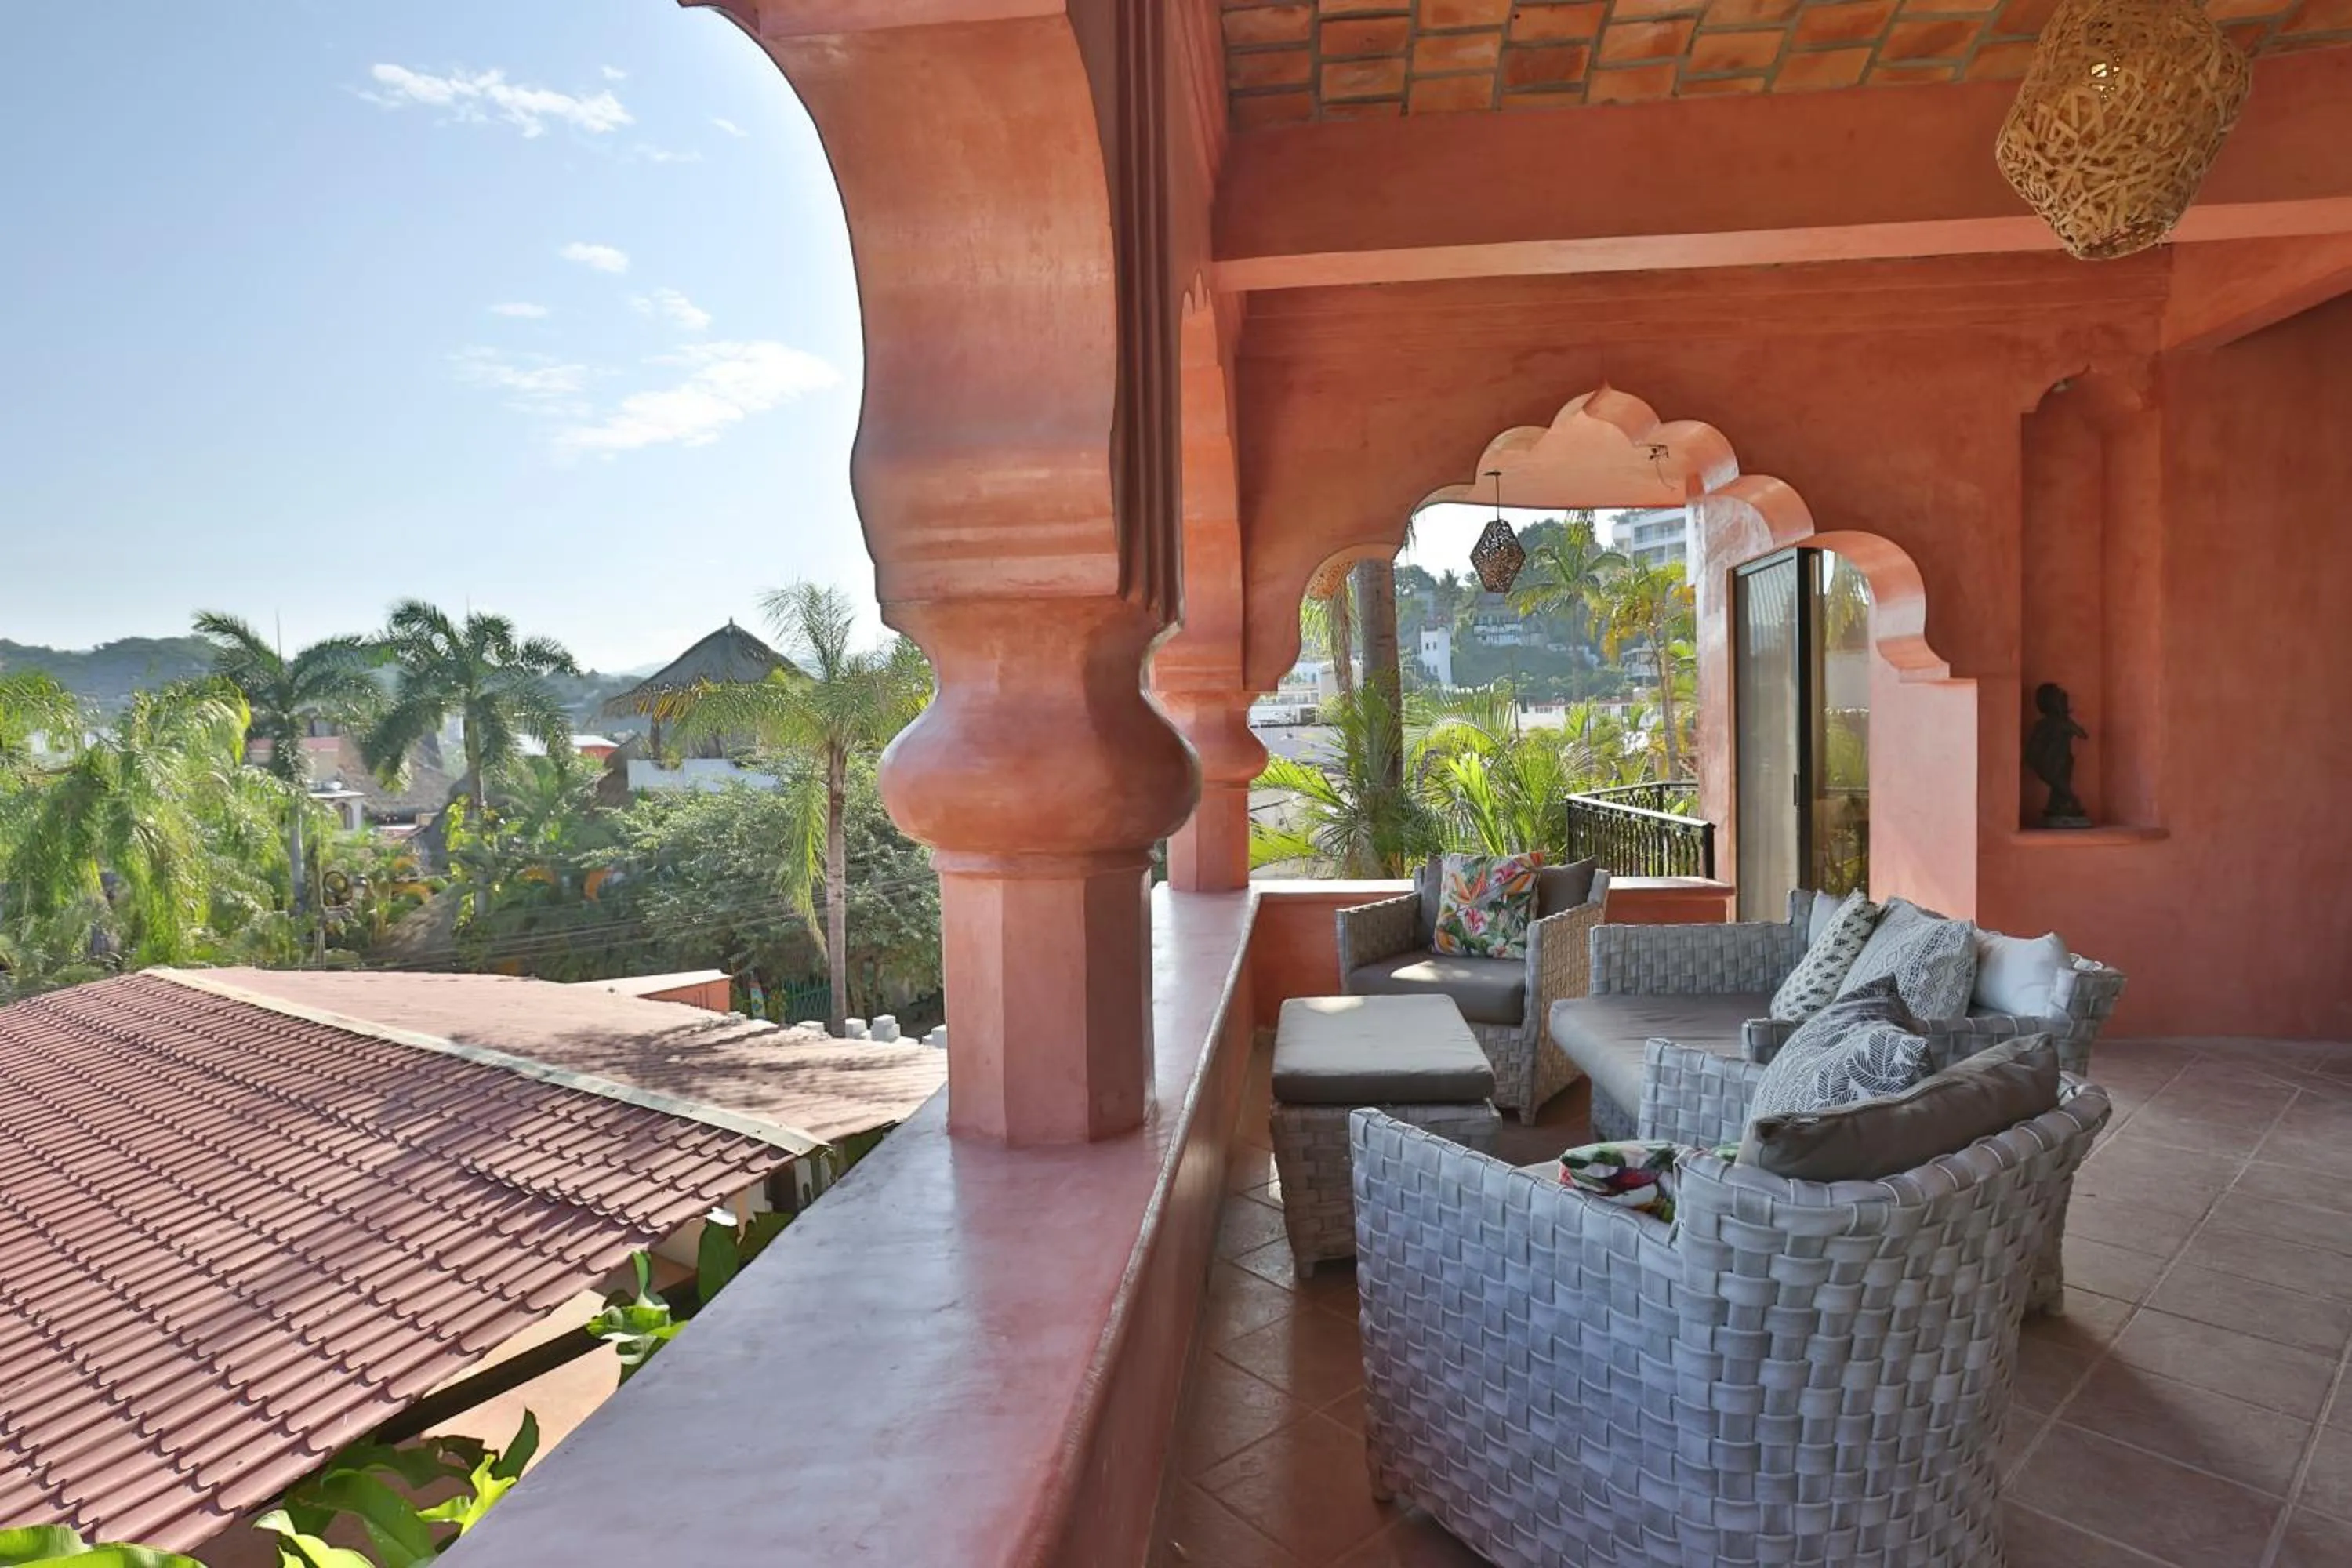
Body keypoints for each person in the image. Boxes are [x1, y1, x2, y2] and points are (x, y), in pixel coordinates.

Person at [2025, 682, 2090, 826]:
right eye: (2061, 700)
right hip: (2052, 762)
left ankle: (2060, 806)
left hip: (2063, 760)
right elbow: (2032, 752)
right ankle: (2067, 803)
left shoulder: (2061, 723)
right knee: (2061, 787)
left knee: (2060, 788)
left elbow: (2082, 735)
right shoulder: (2048, 724)